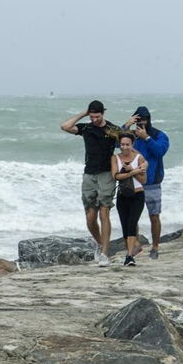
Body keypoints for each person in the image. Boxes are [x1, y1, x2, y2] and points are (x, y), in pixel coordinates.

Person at [60, 100, 121, 266]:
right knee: (90, 217)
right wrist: (83, 114)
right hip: (89, 175)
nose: (94, 119)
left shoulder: (112, 129)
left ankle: (105, 254)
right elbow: (65, 126)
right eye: (92, 116)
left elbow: (126, 143)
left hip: (106, 174)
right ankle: (101, 243)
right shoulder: (86, 128)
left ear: (103, 113)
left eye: (97, 116)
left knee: (104, 212)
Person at [121, 106, 169, 259]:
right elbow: (118, 145)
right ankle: (136, 245)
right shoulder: (130, 136)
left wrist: (147, 138)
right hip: (134, 181)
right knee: (132, 217)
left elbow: (160, 151)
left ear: (148, 120)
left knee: (154, 215)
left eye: (143, 120)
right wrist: (126, 126)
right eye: (137, 120)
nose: (140, 123)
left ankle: (155, 247)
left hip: (152, 182)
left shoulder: (158, 135)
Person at [112, 133, 148, 266]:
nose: (125, 147)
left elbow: (144, 180)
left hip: (137, 195)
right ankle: (132, 250)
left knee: (132, 224)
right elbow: (115, 176)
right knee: (125, 226)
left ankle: (129, 256)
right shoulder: (115, 158)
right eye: (122, 144)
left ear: (132, 145)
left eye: (127, 144)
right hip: (123, 196)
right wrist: (132, 172)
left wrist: (133, 169)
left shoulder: (139, 158)